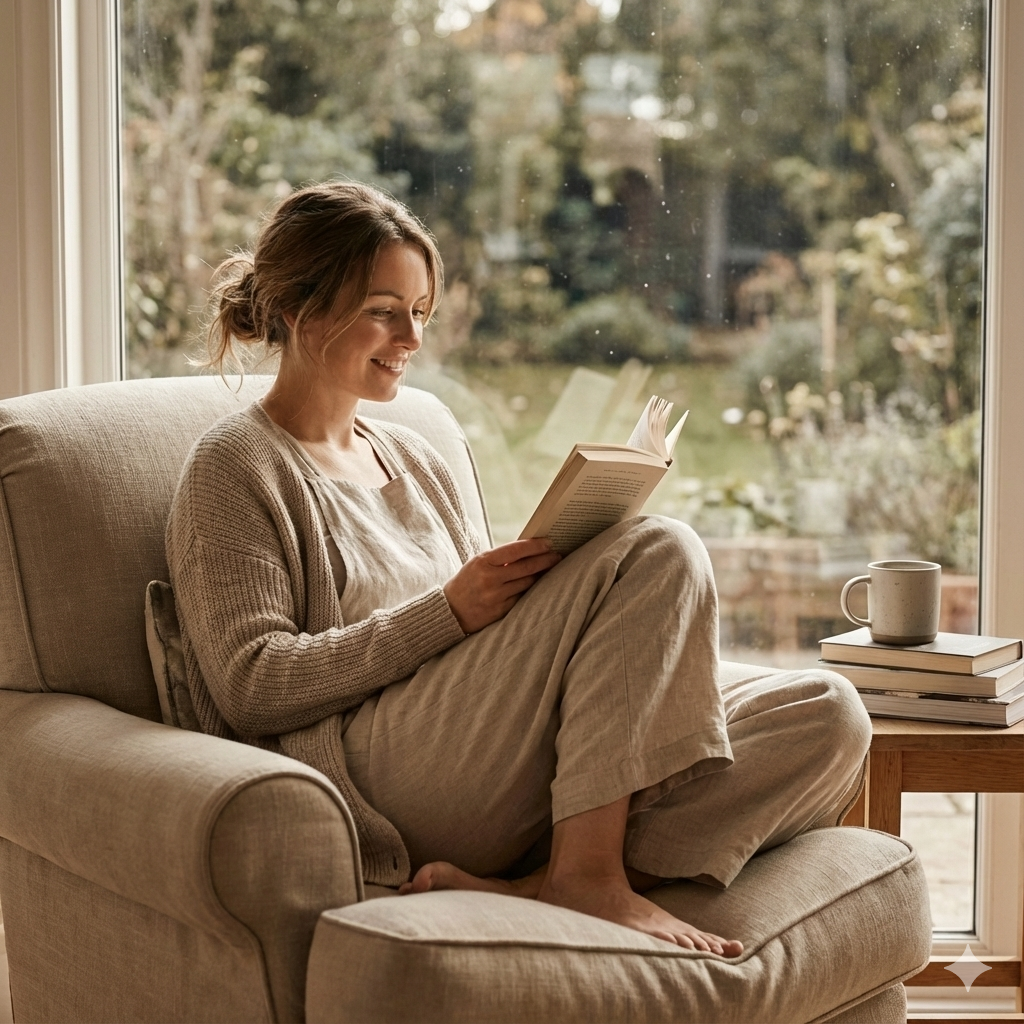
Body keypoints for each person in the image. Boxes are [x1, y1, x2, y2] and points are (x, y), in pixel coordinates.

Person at [166, 181, 871, 957]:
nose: (412, 337)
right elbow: (251, 684)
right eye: (383, 309)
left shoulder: (417, 457)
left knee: (830, 715)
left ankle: (539, 881)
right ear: (300, 310)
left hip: (493, 765)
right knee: (661, 546)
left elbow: (492, 657)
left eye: (421, 312)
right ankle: (592, 877)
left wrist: (532, 586)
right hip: (377, 776)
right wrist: (449, 612)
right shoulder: (233, 468)